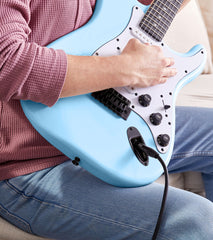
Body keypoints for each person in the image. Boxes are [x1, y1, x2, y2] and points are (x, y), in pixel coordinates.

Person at [0, 0, 213, 239]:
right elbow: (7, 61)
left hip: (113, 118)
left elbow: (141, 8)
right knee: (196, 218)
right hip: (31, 165)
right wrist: (127, 67)